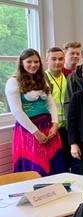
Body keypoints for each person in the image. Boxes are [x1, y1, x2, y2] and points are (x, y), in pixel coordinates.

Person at [5, 48, 64, 176]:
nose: (33, 65)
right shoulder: (13, 82)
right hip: (29, 130)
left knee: (54, 165)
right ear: (21, 63)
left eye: (36, 62)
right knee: (36, 168)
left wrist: (55, 124)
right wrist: (35, 132)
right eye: (29, 62)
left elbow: (51, 103)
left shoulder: (42, 79)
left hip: (48, 128)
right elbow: (17, 111)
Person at [45, 47, 72, 172]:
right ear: (47, 60)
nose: (57, 62)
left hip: (66, 127)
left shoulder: (69, 77)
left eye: (60, 59)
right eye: (53, 59)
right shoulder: (42, 78)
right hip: (50, 127)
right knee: (53, 163)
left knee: (67, 162)